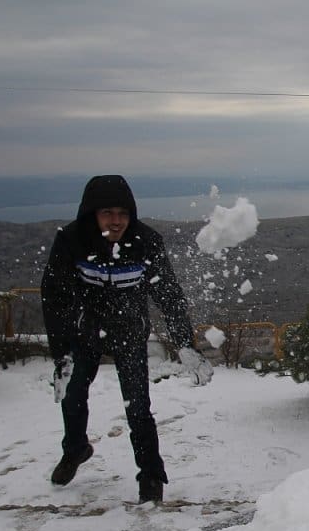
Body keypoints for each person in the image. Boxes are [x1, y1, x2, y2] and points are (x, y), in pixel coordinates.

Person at [41, 175, 212, 503]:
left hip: (129, 333)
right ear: (92, 213)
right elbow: (54, 297)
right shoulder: (71, 240)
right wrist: (61, 353)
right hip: (84, 333)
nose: (116, 220)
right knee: (73, 394)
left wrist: (185, 344)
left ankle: (150, 475)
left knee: (138, 407)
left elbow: (168, 294)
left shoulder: (145, 241)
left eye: (123, 212)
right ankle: (75, 450)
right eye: (107, 212)